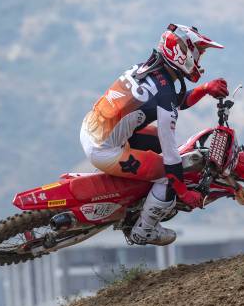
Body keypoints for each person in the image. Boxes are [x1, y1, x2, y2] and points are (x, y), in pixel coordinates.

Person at [79, 23, 229, 245]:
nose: (199, 61)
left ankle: (138, 194)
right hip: (103, 150)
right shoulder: (164, 91)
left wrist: (204, 89)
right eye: (199, 54)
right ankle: (144, 230)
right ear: (183, 54)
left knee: (159, 144)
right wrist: (184, 193)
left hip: (90, 129)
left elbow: (172, 101)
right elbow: (171, 156)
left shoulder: (146, 69)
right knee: (170, 175)